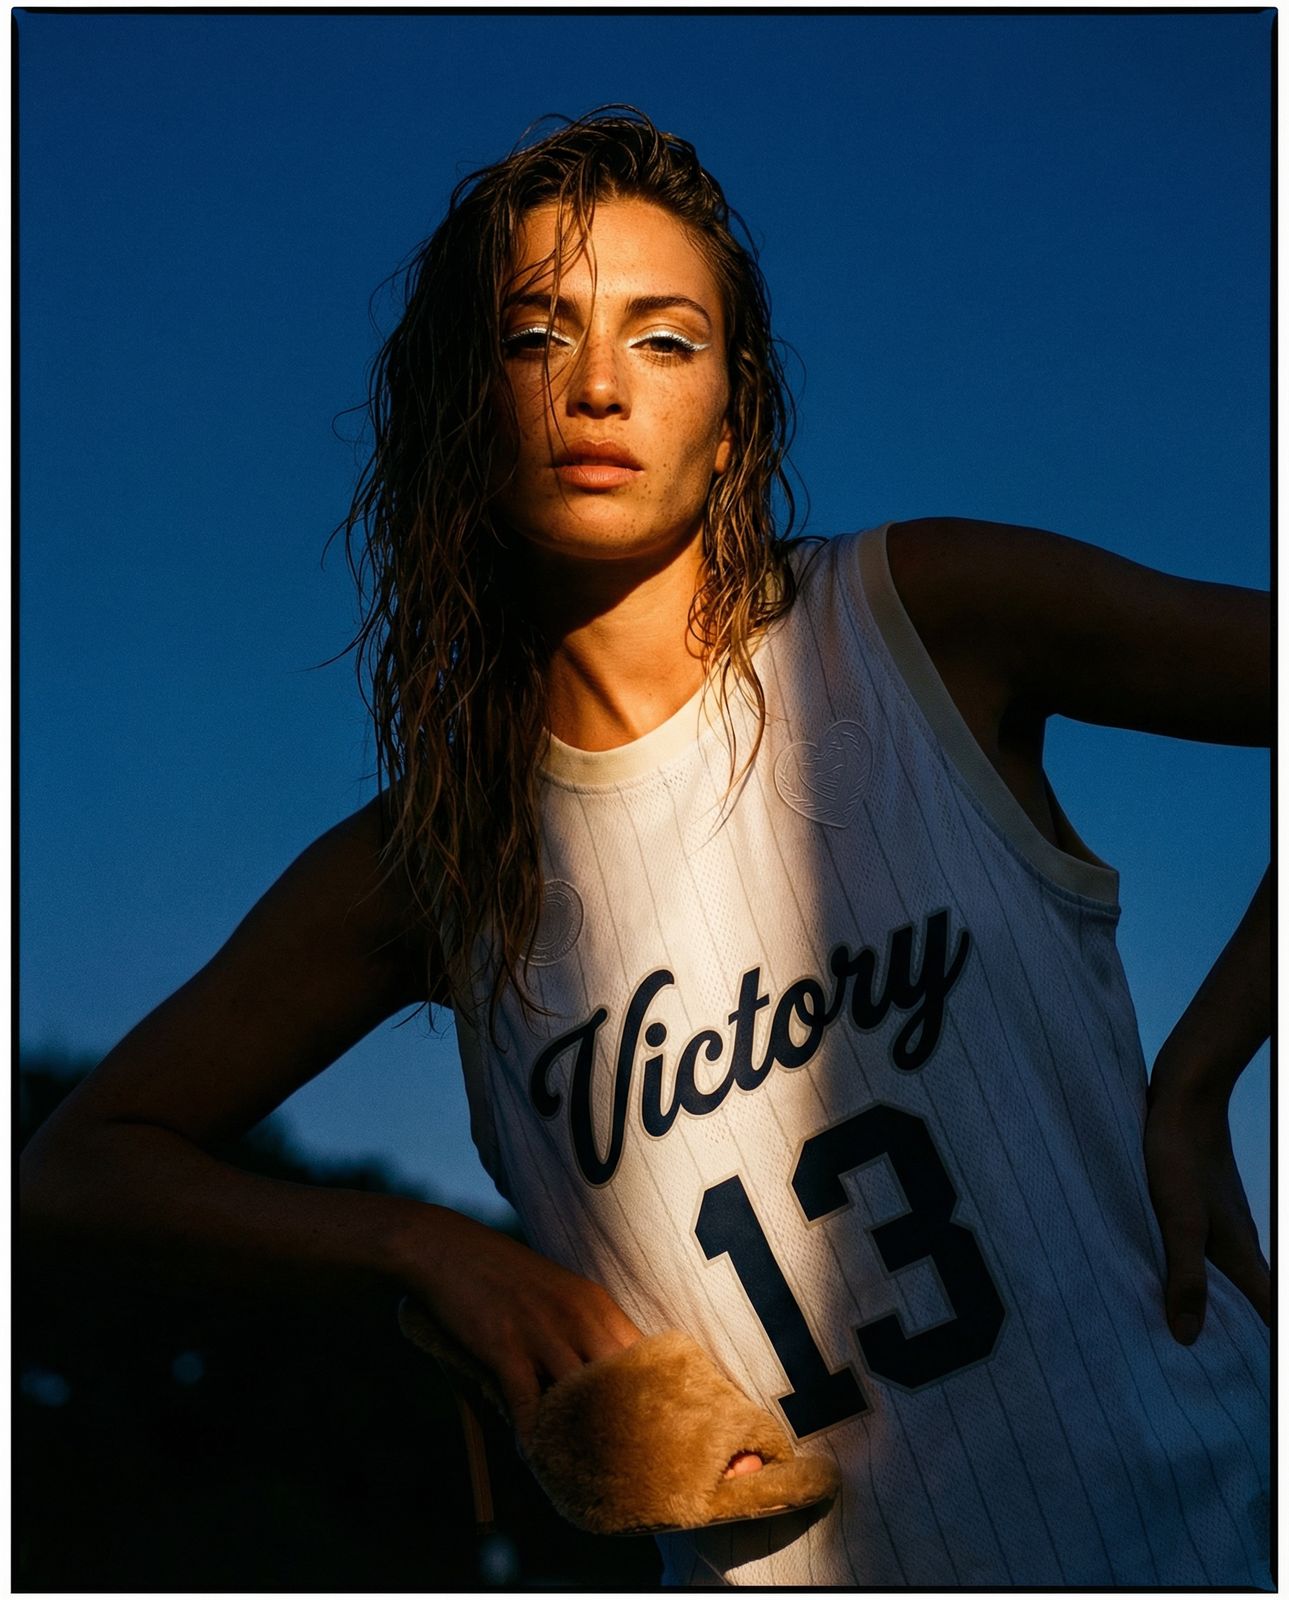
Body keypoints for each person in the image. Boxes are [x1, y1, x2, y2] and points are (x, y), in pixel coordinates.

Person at [21, 109, 1270, 1587]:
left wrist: (1200, 1072)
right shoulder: (431, 856)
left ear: (735, 417)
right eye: (537, 335)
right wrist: (426, 1249)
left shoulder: (920, 620)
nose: (599, 384)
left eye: (664, 340)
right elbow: (72, 1172)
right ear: (459, 408)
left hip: (1208, 1530)